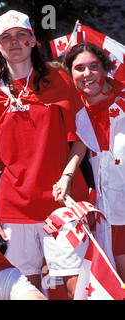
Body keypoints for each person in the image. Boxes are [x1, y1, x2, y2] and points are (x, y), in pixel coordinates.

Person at [0, 10, 92, 299]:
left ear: (32, 40)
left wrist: (68, 175)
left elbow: (82, 139)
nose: (14, 42)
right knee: (24, 289)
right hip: (13, 208)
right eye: (6, 37)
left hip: (62, 201)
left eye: (21, 35)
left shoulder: (58, 80)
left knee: (75, 285)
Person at [63, 42, 125, 281]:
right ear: (70, 74)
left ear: (106, 68)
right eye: (79, 68)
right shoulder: (76, 110)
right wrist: (66, 176)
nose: (87, 74)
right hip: (106, 212)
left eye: (94, 66)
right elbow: (80, 143)